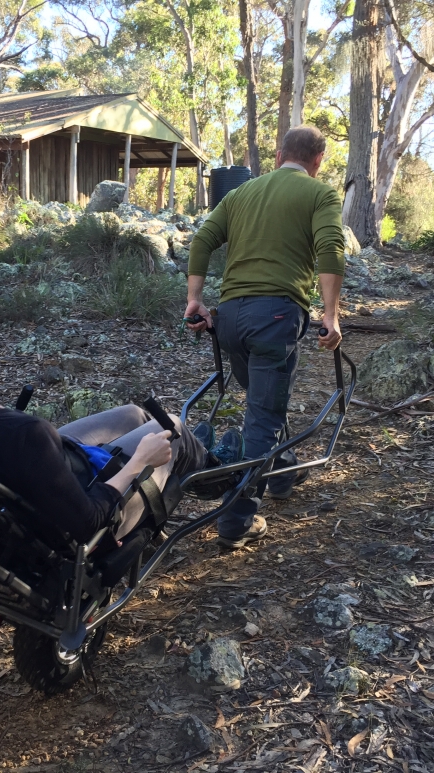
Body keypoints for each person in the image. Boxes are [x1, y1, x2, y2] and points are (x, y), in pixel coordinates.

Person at [0, 286, 243, 547]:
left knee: (133, 414)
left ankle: (201, 457)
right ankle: (220, 477)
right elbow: (87, 521)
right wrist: (139, 461)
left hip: (28, 493)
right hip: (81, 522)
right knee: (174, 428)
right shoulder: (22, 432)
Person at [184, 125, 345, 549]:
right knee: (263, 413)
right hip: (275, 314)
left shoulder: (240, 194)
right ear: (317, 161)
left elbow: (202, 239)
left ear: (277, 156)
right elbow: (330, 248)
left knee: (264, 395)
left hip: (231, 317)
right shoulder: (319, 194)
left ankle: (283, 471)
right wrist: (330, 314)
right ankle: (238, 519)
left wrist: (195, 301)